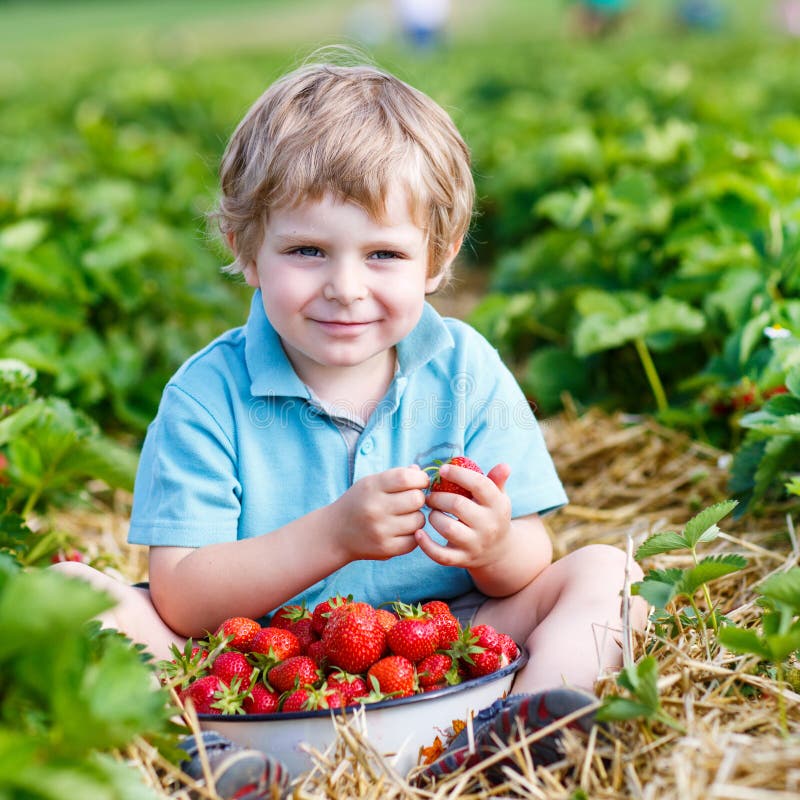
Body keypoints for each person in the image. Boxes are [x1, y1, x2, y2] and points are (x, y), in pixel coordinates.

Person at [54, 56, 646, 788]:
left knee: (605, 573)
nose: (345, 287)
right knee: (82, 599)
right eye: (307, 251)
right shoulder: (207, 393)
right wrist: (332, 536)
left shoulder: (463, 369)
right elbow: (181, 595)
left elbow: (529, 556)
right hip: (252, 670)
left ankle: (523, 732)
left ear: (437, 258)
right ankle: (202, 758)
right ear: (246, 250)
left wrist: (492, 543)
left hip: (443, 645)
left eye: (383, 255)